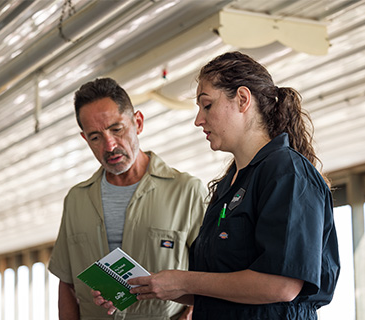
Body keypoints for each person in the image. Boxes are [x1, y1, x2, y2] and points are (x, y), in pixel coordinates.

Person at [95, 51, 340, 319]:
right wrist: (154, 286)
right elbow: (221, 286)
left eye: (207, 105)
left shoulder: (286, 172)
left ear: (243, 99)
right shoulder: (229, 183)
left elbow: (282, 284)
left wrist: (184, 281)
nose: (198, 119)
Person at [48, 77, 207, 320]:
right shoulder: (75, 200)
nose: (109, 145)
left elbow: (212, 276)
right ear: (85, 139)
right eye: (95, 137)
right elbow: (67, 284)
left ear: (138, 122)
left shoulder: (187, 191)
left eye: (116, 129)